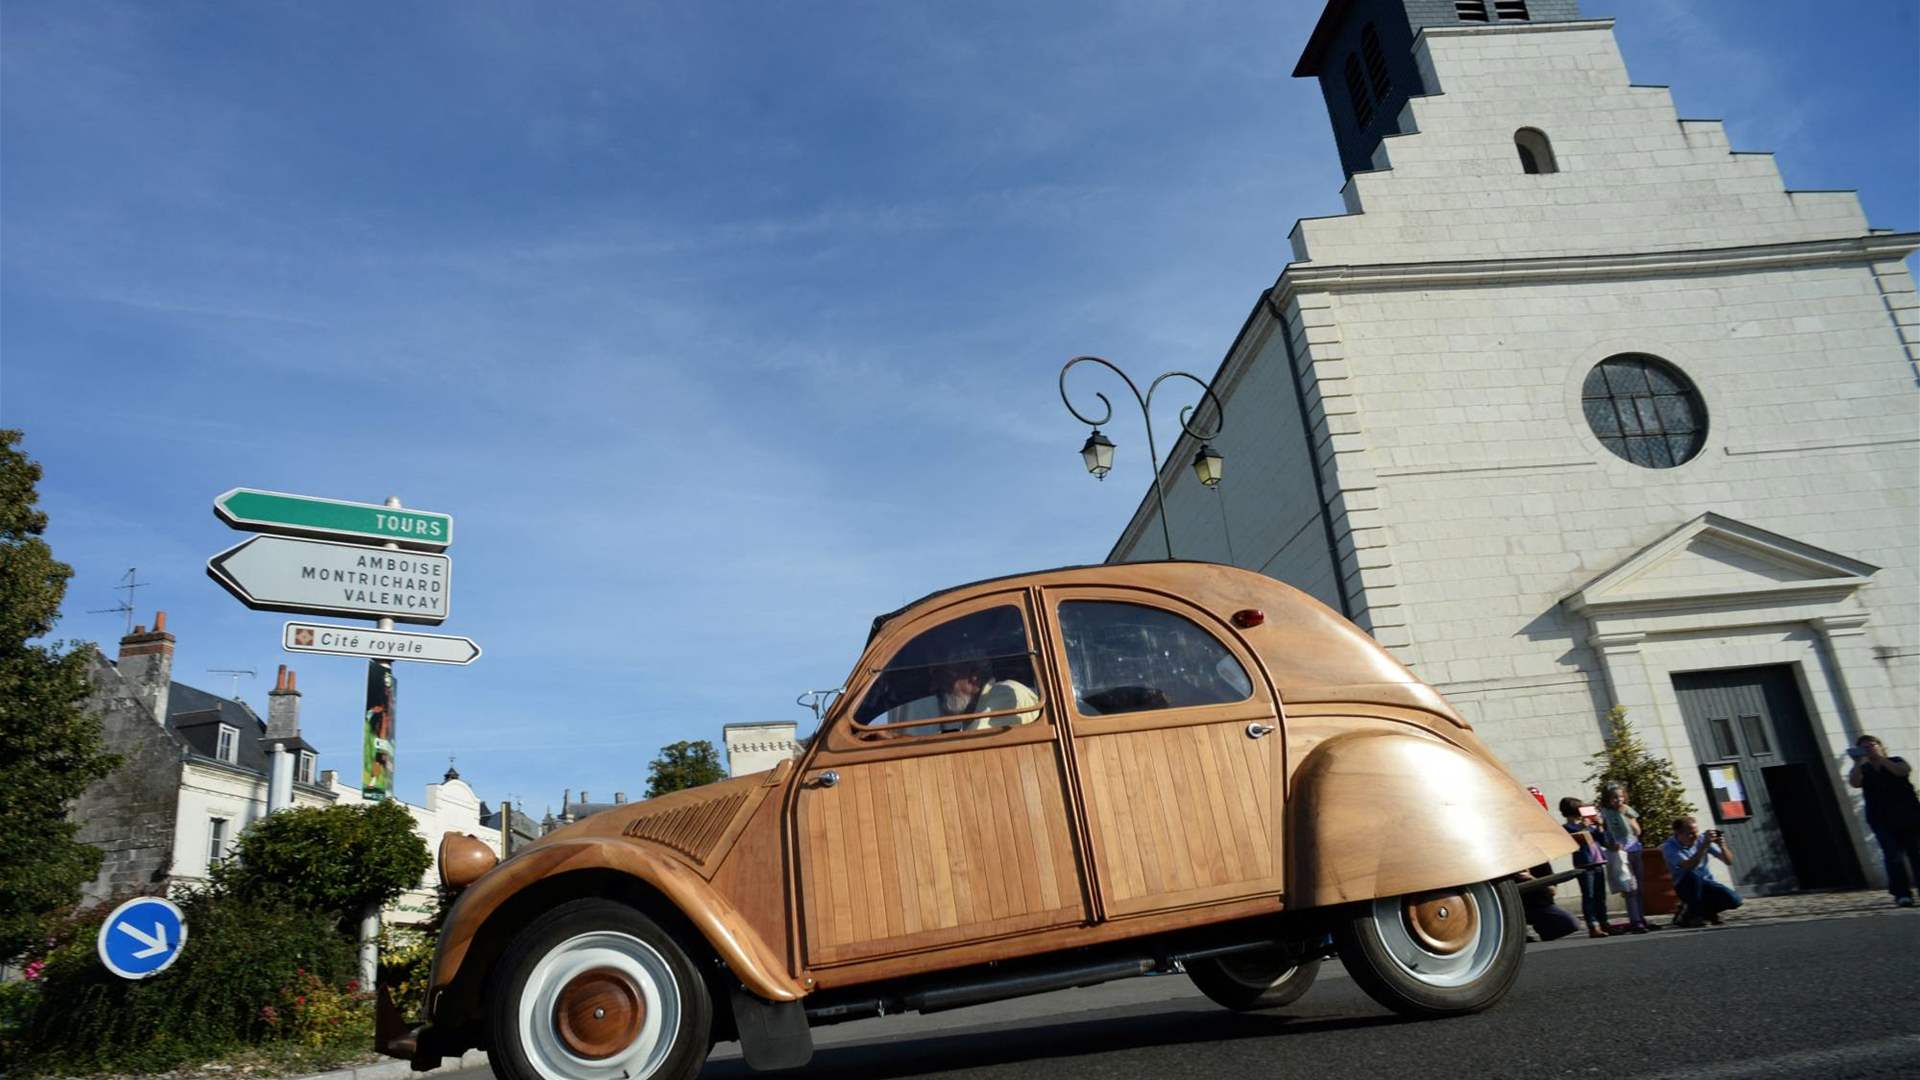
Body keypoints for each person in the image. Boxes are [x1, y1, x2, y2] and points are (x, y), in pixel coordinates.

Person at [1847, 734, 1920, 908]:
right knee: (1892, 856)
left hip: (1909, 815)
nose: (1869, 749)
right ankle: (1902, 894)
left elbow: (1902, 771)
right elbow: (1855, 783)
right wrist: (1858, 762)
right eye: (1864, 747)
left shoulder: (1896, 760)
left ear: (1880, 745)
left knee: (1916, 854)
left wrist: (1880, 758)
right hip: (1881, 818)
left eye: (1871, 745)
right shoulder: (1863, 768)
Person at [893, 658, 1041, 736]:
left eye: (942, 676)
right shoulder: (974, 714)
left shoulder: (1004, 695)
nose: (934, 687)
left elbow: (970, 747)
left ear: (973, 677)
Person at [1661, 816, 1742, 926]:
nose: (1695, 837)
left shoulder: (1701, 839)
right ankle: (1695, 916)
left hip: (1706, 882)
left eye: (1696, 832)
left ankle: (1702, 912)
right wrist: (1703, 847)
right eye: (1690, 834)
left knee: (1735, 900)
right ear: (1678, 833)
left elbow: (1728, 861)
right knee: (1692, 875)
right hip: (1685, 884)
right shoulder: (1669, 847)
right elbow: (1689, 866)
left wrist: (1722, 845)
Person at [1598, 782, 1654, 933]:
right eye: (1614, 798)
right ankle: (1635, 921)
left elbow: (1637, 831)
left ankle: (1641, 918)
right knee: (1630, 887)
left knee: (1639, 887)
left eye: (1621, 797)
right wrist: (1610, 845)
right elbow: (1603, 833)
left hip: (1634, 848)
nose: (1618, 800)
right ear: (1608, 799)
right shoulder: (1605, 813)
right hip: (1620, 852)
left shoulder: (1627, 810)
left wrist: (1627, 816)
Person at [1559, 797, 1610, 937]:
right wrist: (1583, 827)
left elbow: (1602, 840)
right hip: (1584, 865)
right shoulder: (1567, 828)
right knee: (1589, 896)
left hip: (1598, 862)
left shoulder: (1588, 825)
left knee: (1600, 895)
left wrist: (1599, 826)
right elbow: (1571, 843)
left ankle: (1604, 922)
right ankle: (1593, 925)